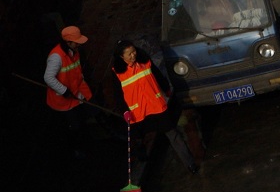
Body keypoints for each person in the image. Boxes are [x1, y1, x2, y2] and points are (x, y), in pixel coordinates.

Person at [111, 40, 200, 174]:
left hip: (156, 106)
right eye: (129, 54)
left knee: (173, 134)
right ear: (121, 57)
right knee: (139, 137)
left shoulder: (145, 62)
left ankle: (190, 163)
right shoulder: (117, 73)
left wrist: (166, 89)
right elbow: (118, 95)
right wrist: (124, 111)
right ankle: (141, 154)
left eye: (134, 51)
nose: (133, 55)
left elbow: (158, 75)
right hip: (137, 112)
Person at [44, 25, 93, 157]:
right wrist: (64, 90)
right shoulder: (56, 57)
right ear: (68, 42)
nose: (79, 45)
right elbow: (48, 77)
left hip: (75, 94)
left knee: (82, 119)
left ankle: (83, 143)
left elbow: (75, 73)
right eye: (76, 42)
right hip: (63, 100)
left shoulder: (73, 51)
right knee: (74, 126)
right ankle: (77, 149)